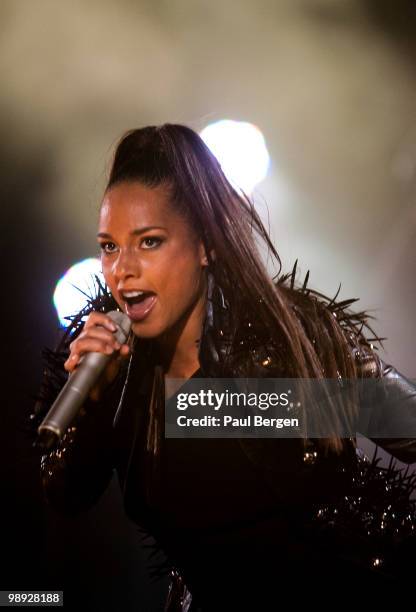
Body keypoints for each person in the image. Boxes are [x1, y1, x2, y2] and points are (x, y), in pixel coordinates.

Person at [29, 124, 416, 609]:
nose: (122, 269)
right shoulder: (118, 369)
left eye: (148, 242)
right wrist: (96, 396)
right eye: (109, 246)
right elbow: (65, 495)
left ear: (205, 245)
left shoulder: (286, 338)